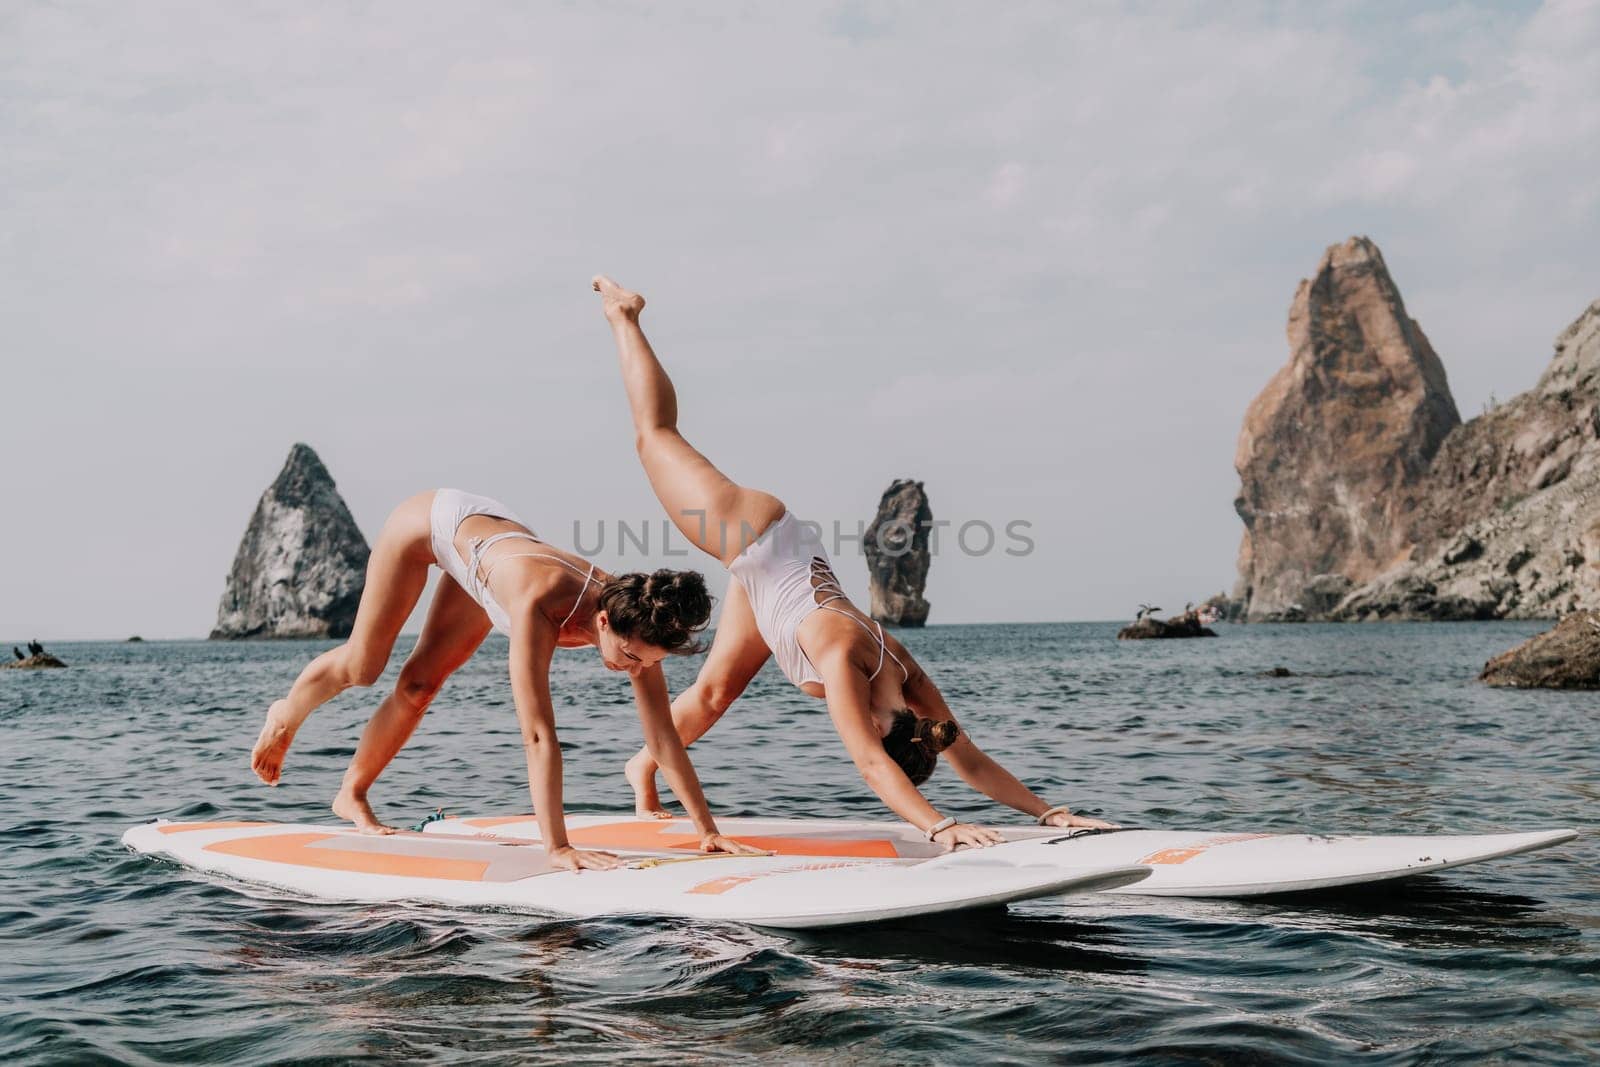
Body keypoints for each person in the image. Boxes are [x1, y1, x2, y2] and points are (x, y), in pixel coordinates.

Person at [592, 276, 1117, 849]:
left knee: (715, 693)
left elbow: (968, 757)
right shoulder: (846, 662)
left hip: (769, 583)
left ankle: (643, 767)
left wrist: (1048, 814)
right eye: (873, 727)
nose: (860, 725)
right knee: (655, 434)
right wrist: (940, 826)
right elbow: (869, 763)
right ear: (884, 723)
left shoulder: (906, 681)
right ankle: (625, 317)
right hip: (749, 531)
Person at [249, 488, 762, 870]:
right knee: (364, 667)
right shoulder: (540, 607)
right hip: (429, 526)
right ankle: (286, 712)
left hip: (494, 548)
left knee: (420, 687)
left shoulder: (636, 622)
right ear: (603, 623)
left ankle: (351, 793)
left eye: (646, 664)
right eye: (630, 657)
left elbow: (661, 735)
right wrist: (557, 847)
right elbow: (538, 735)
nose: (635, 670)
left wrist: (707, 831)